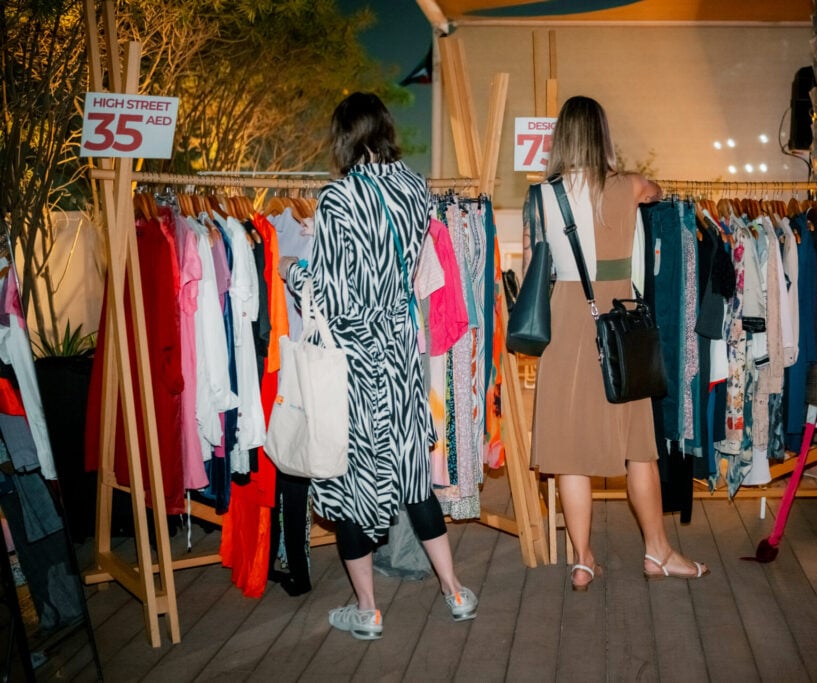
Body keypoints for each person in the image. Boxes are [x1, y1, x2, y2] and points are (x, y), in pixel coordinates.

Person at [279, 92, 476, 640]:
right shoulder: (415, 187)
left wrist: (292, 270)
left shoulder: (338, 198)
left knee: (348, 483)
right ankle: (456, 591)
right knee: (413, 478)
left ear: (344, 136)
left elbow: (333, 295)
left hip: (355, 366)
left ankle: (367, 610)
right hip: (401, 356)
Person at [525, 95, 709, 590]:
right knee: (639, 449)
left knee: (571, 452)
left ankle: (583, 561)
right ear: (601, 136)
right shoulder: (628, 185)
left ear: (561, 138)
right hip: (618, 324)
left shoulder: (542, 195)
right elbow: (657, 191)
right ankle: (658, 552)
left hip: (565, 322)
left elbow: (533, 263)